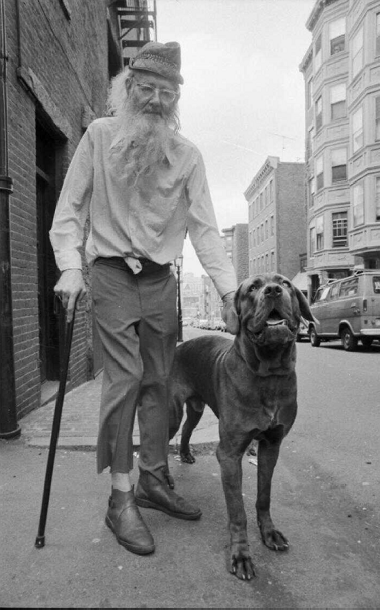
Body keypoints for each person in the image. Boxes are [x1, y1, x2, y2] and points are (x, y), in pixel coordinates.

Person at [49, 41, 238, 556]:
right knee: (125, 381)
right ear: (127, 90)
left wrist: (228, 291)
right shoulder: (98, 137)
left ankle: (155, 480)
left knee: (161, 381)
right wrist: (70, 267)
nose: (155, 100)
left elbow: (205, 231)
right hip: (110, 274)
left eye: (166, 92)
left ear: (175, 99)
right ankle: (120, 497)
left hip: (160, 281)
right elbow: (68, 211)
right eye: (147, 89)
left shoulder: (189, 156)